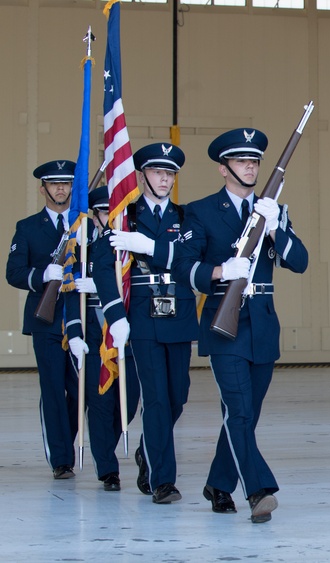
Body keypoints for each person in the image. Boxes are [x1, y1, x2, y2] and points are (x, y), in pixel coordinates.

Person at [175, 128, 309, 524]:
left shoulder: (274, 211)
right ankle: (258, 491)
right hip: (224, 321)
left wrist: (274, 228)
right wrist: (220, 270)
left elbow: (299, 261)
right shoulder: (199, 212)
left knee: (246, 413)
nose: (250, 167)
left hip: (263, 324)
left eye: (255, 162)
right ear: (223, 169)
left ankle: (218, 484)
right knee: (239, 410)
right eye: (241, 161)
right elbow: (183, 266)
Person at [91, 143, 197, 504]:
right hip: (143, 314)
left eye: (170, 173)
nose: (164, 178)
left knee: (177, 396)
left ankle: (146, 448)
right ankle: (162, 480)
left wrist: (149, 245)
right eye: (157, 172)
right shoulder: (124, 216)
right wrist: (114, 314)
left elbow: (189, 256)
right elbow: (103, 267)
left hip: (179, 312)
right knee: (155, 399)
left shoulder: (186, 218)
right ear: (142, 175)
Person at [6, 159, 80, 479]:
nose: (61, 189)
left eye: (66, 184)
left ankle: (66, 439)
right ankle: (61, 459)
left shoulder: (82, 224)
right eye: (54, 183)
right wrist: (42, 275)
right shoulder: (27, 227)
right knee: (52, 389)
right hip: (46, 318)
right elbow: (14, 272)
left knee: (81, 391)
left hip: (79, 318)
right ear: (43, 188)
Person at [64, 186, 140, 492]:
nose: (111, 218)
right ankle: (107, 468)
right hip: (96, 337)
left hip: (129, 335)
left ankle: (105, 443)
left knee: (130, 402)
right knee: (99, 404)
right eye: (106, 212)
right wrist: (73, 332)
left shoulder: (128, 247)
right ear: (94, 215)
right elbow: (70, 296)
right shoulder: (82, 250)